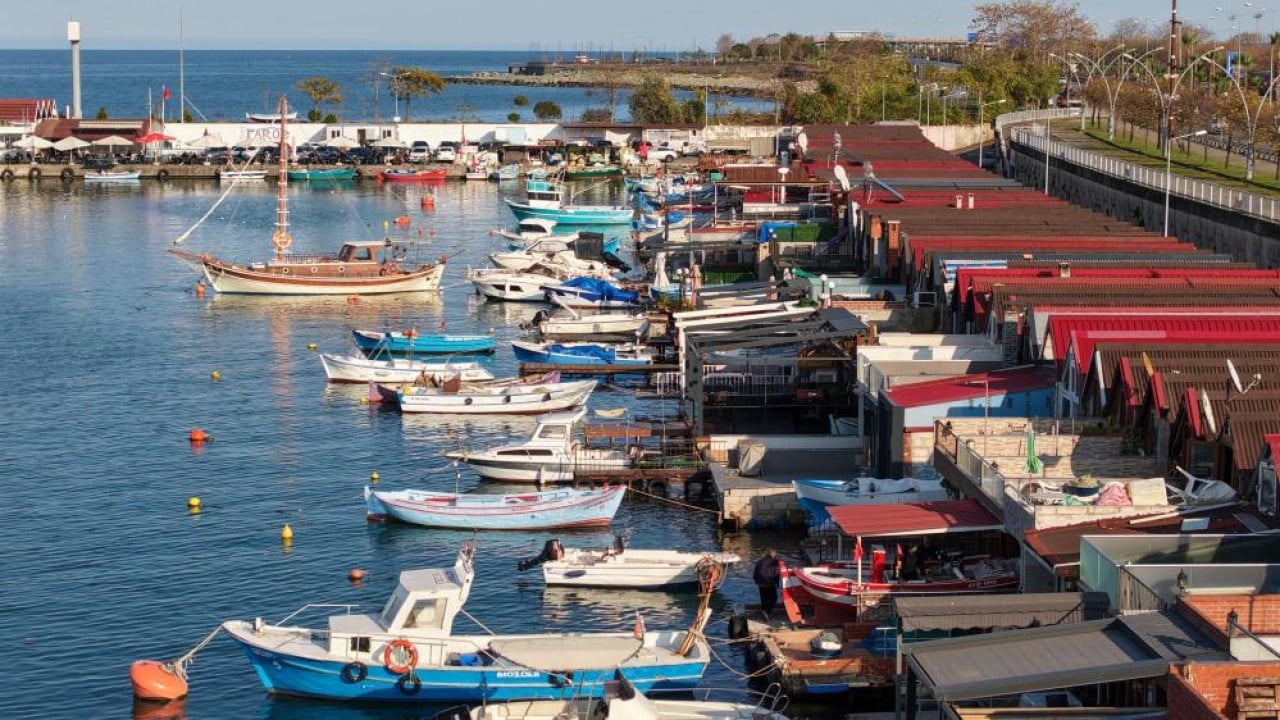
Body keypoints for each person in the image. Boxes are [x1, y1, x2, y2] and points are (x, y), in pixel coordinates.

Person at [753, 549, 782, 616]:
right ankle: (768, 611)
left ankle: (764, 610)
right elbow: (776, 574)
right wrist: (777, 583)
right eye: (775, 555)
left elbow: (755, 574)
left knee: (764, 598)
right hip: (770, 584)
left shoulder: (759, 562)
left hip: (761, 584)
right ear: (773, 556)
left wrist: (757, 582)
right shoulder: (775, 562)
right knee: (774, 598)